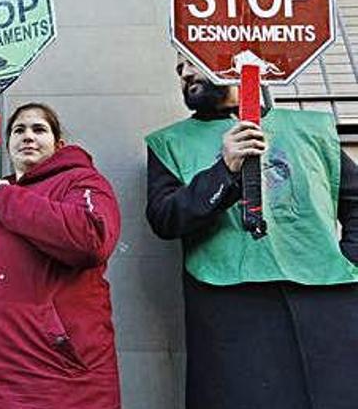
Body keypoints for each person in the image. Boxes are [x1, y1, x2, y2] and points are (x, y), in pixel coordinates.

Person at [145, 55, 358, 409]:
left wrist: (349, 257)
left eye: (192, 60)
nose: (184, 72)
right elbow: (165, 218)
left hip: (325, 298)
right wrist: (224, 170)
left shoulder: (311, 128)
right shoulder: (170, 143)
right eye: (179, 66)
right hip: (229, 303)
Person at [0, 103, 122, 409]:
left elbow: (92, 239)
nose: (28, 136)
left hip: (51, 383)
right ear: (7, 145)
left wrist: (3, 197)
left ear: (59, 144)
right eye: (19, 130)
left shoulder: (80, 182)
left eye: (38, 129)